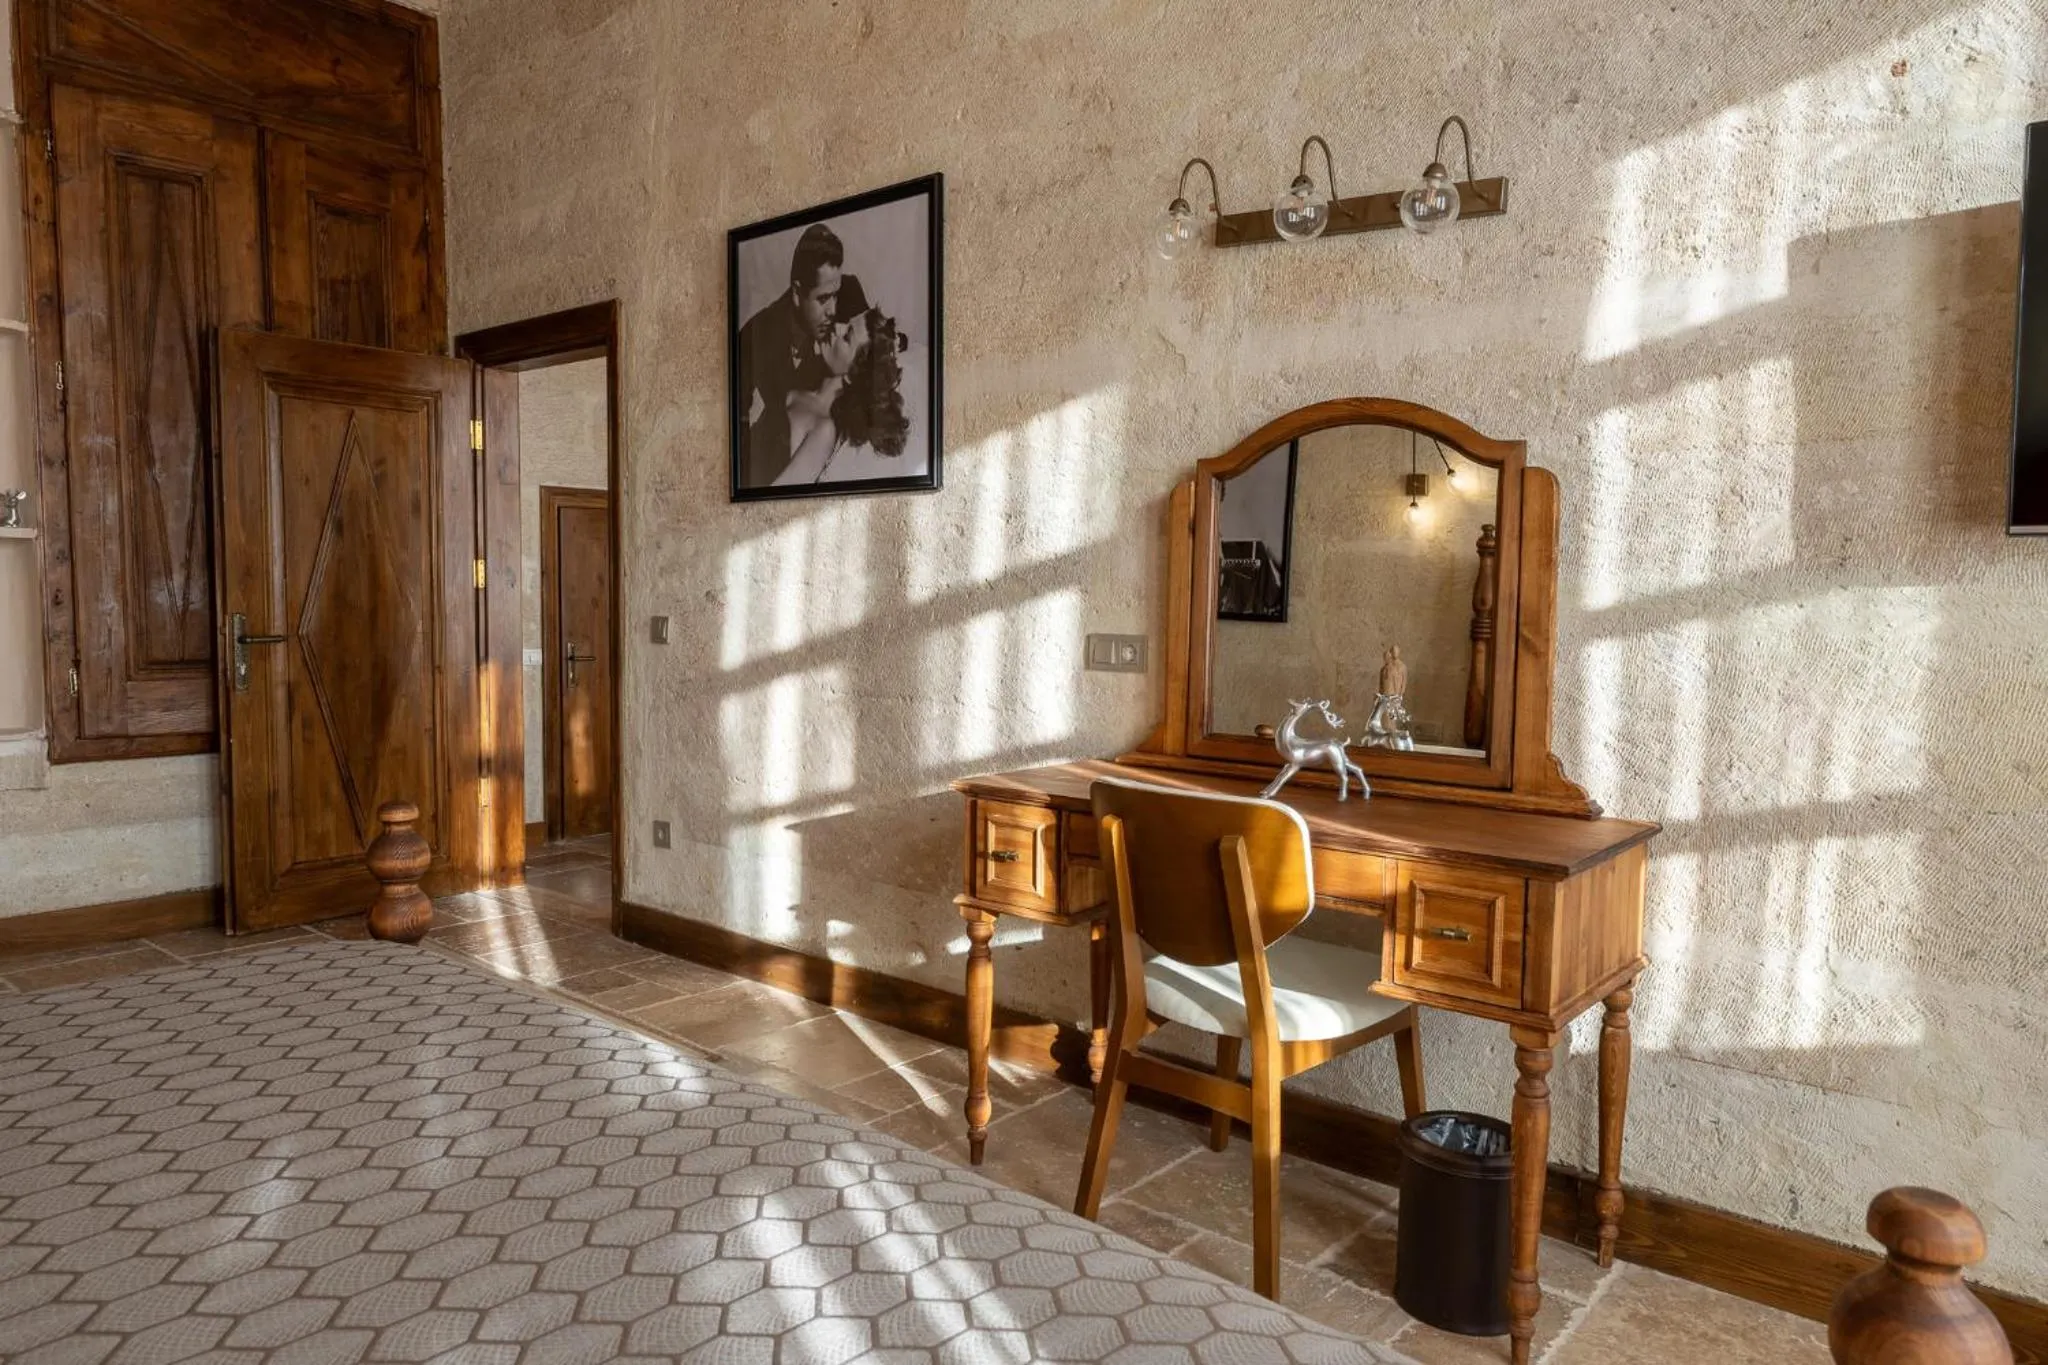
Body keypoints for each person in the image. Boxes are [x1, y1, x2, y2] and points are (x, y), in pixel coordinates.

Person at [773, 273, 911, 487]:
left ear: (854, 371)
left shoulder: (824, 430)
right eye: (844, 324)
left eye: (847, 336)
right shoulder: (800, 379)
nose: (836, 328)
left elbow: (771, 502)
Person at [736, 223, 843, 487]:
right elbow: (737, 423)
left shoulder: (846, 296)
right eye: (823, 299)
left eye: (836, 296)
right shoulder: (755, 334)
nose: (834, 311)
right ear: (797, 293)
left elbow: (878, 333)